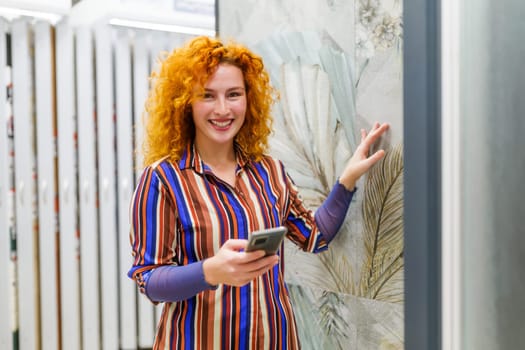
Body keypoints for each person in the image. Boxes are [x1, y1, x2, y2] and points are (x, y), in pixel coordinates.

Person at [128, 35, 389, 350]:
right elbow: (149, 280)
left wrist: (347, 178)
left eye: (234, 94)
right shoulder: (162, 179)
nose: (223, 109)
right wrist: (210, 270)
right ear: (186, 101)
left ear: (248, 99)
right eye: (207, 95)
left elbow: (314, 236)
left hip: (273, 340)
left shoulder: (270, 171)